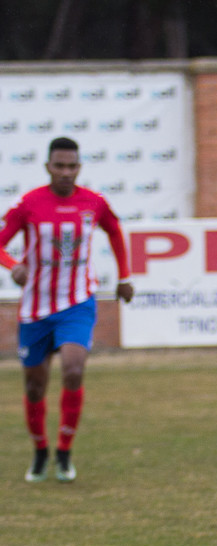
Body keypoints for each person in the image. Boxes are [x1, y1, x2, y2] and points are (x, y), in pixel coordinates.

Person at [0, 137, 134, 483]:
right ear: (48, 167)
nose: (65, 172)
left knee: (73, 370)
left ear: (79, 168)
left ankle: (63, 452)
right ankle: (40, 451)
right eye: (59, 166)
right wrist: (13, 265)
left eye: (71, 166)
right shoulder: (28, 204)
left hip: (77, 302)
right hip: (36, 308)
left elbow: (115, 232)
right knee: (34, 386)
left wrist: (124, 276)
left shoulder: (94, 202)